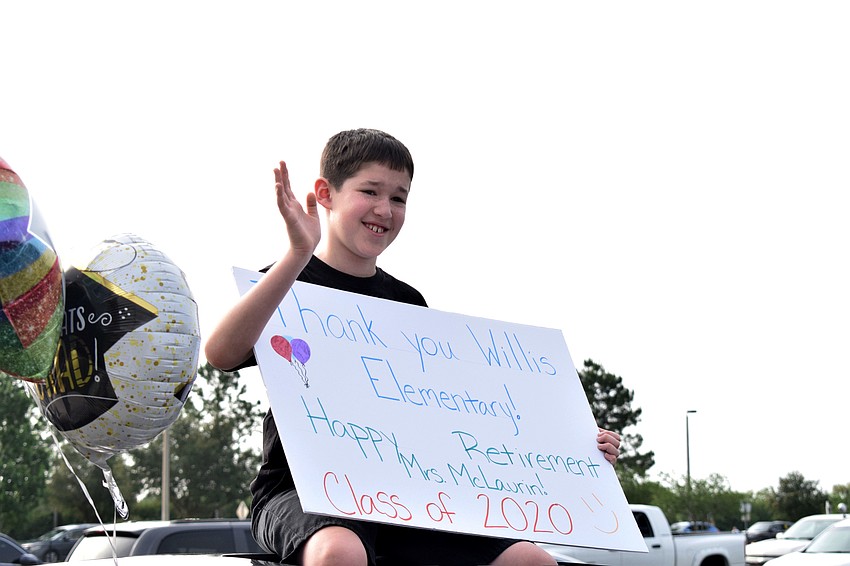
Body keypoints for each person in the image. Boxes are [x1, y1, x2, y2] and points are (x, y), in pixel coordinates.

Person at [205, 128, 622, 566]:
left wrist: (577, 450)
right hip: (301, 493)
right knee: (339, 551)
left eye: (399, 198)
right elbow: (221, 353)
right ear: (326, 194)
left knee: (530, 560)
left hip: (406, 497)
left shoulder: (408, 305)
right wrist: (296, 254)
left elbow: (453, 414)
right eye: (370, 191)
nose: (385, 210)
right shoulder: (287, 282)